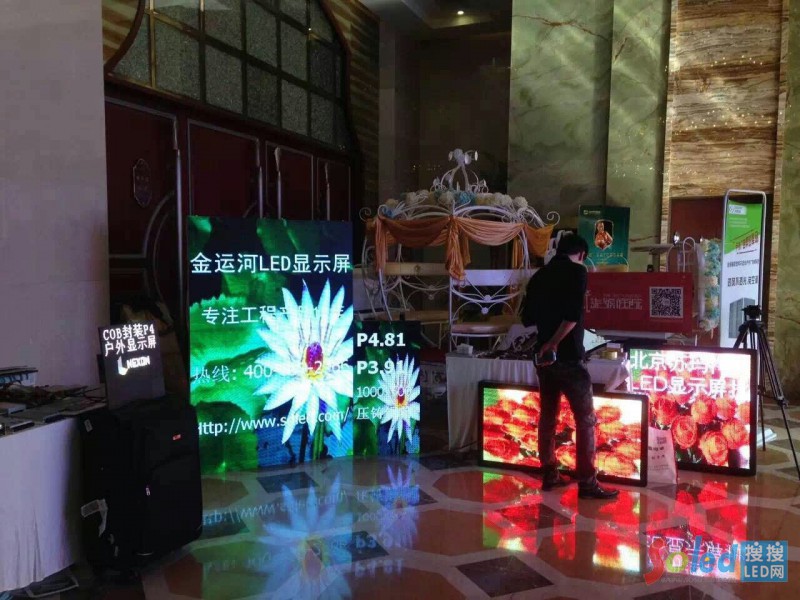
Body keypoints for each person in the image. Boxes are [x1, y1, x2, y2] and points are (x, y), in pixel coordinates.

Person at [522, 234, 619, 500]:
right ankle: (587, 483)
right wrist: (554, 342)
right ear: (582, 255)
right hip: (568, 357)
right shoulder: (578, 272)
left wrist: (546, 339)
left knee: (548, 416)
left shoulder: (539, 275)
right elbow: (573, 316)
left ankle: (550, 474)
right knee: (585, 420)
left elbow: (527, 318)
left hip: (544, 359)